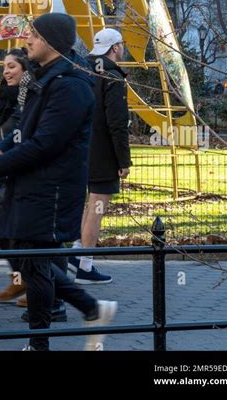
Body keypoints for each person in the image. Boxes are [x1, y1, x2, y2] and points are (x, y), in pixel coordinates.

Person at [0, 13, 117, 351]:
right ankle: (92, 308)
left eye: (34, 36)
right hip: (31, 184)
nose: (27, 40)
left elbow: (45, 145)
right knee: (26, 255)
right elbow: (21, 130)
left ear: (52, 42)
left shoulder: (70, 85)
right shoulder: (43, 78)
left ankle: (39, 343)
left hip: (52, 189)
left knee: (36, 263)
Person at [68, 28, 131, 284]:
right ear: (114, 48)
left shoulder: (82, 69)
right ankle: (85, 264)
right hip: (103, 151)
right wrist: (123, 160)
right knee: (97, 205)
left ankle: (77, 252)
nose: (123, 49)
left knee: (90, 203)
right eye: (122, 45)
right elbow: (117, 122)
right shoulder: (113, 76)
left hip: (81, 146)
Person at [0, 49, 31, 303]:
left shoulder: (27, 98)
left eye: (12, 66)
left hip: (19, 169)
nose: (6, 71)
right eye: (4, 66)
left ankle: (33, 280)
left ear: (25, 70)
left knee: (18, 228)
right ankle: (20, 277)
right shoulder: (5, 97)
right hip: (2, 168)